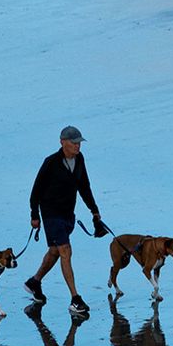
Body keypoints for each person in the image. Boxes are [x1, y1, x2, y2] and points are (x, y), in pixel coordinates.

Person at [25, 125, 108, 313]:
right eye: (74, 143)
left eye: (79, 143)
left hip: (68, 214)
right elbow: (35, 191)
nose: (78, 146)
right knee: (65, 251)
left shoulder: (79, 160)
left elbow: (84, 186)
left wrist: (94, 210)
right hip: (51, 213)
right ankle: (75, 299)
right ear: (62, 142)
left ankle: (34, 282)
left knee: (54, 251)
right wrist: (34, 215)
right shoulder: (50, 163)